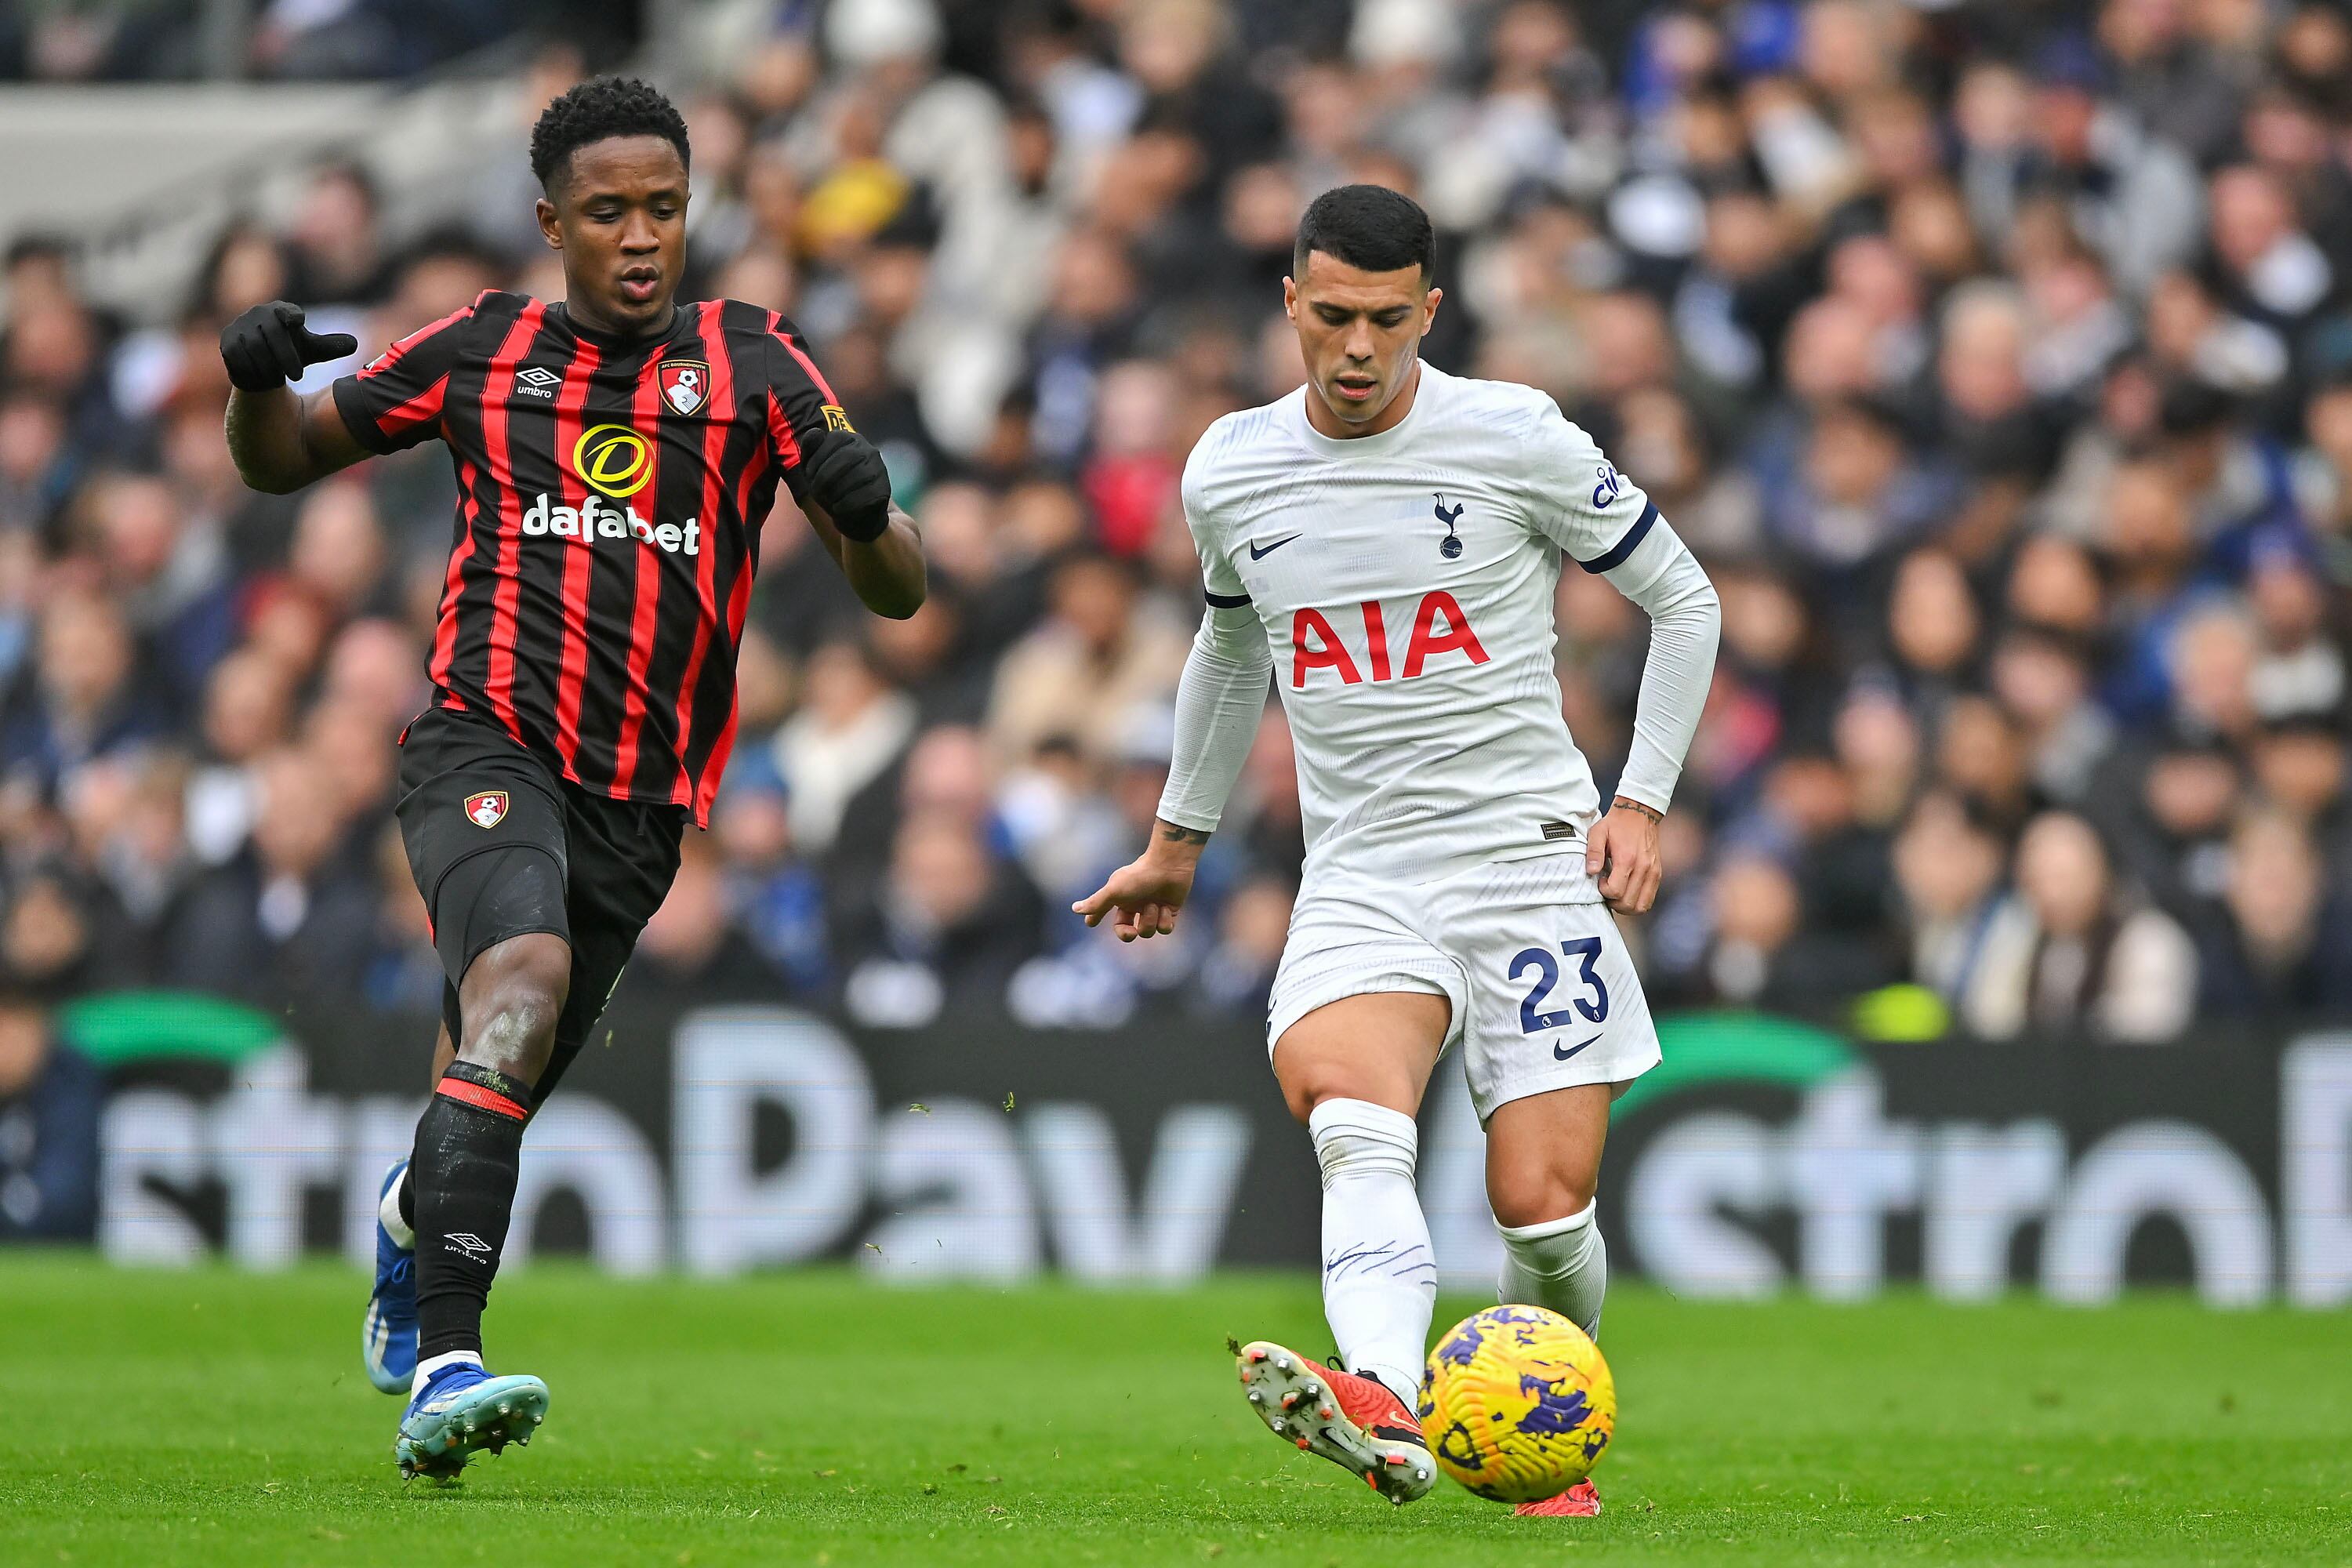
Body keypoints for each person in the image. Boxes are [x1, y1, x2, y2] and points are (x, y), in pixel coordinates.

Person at [217, 77, 924, 1479]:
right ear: (553, 222)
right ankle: (446, 1365)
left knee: (500, 1068)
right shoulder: (485, 349)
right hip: (482, 743)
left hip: (644, 807)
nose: (645, 237)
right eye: (610, 213)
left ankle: (413, 1220)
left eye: (666, 207)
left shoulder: (756, 360)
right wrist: (253, 381)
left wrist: (864, 511)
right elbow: (284, 462)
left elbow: (896, 587)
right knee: (521, 982)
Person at [1073, 186, 1719, 1521]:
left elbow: (1683, 598)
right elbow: (1231, 644)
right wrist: (1176, 844)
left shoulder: (1513, 436)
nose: (1356, 347)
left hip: (1531, 863)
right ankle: (1380, 1399)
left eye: (1384, 319)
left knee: (1543, 1216)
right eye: (1331, 316)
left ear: (1428, 311)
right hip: (1363, 872)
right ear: (1291, 307)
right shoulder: (1231, 468)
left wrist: (1642, 802)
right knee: (1355, 1126)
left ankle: (1549, 1439)